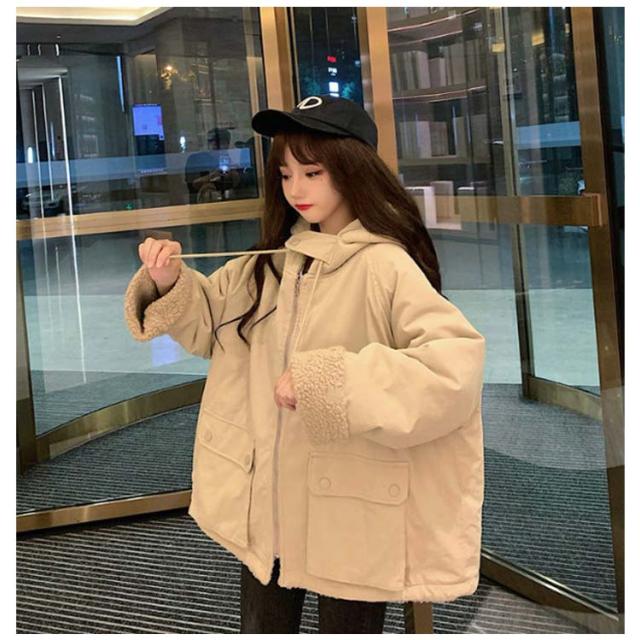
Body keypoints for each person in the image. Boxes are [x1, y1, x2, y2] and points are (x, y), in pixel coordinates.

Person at [124, 94, 486, 633]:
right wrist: (168, 282)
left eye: (313, 172)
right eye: (286, 173)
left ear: (352, 169)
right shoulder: (273, 260)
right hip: (268, 495)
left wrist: (334, 382)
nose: (296, 189)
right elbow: (208, 323)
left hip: (350, 493)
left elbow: (452, 369)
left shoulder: (384, 264)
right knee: (263, 618)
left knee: (348, 617)